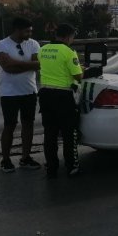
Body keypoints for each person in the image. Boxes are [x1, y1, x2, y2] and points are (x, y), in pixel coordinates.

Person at [0, 17, 41, 173]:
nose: (30, 33)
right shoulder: (1, 44)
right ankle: (6, 159)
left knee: (28, 124)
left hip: (29, 91)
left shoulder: (33, 44)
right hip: (9, 94)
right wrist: (27, 65)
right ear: (17, 30)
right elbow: (7, 68)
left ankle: (25, 157)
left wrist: (16, 63)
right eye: (27, 31)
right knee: (10, 125)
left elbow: (38, 65)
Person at [37, 23, 83, 178]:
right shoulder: (69, 51)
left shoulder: (42, 49)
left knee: (50, 133)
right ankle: (71, 166)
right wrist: (83, 70)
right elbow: (78, 76)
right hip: (64, 96)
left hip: (45, 95)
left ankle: (51, 167)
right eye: (72, 37)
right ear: (68, 36)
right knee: (69, 133)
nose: (72, 40)